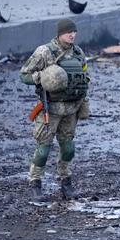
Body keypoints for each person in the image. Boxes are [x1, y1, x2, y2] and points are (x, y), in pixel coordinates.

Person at [20, 18, 90, 199]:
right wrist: (41, 77)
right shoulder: (45, 52)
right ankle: (35, 183)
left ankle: (66, 183)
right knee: (43, 149)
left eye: (74, 32)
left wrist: (83, 100)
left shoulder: (78, 52)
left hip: (71, 109)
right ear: (60, 34)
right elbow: (24, 75)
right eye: (69, 32)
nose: (72, 35)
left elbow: (84, 75)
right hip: (50, 110)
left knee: (68, 149)